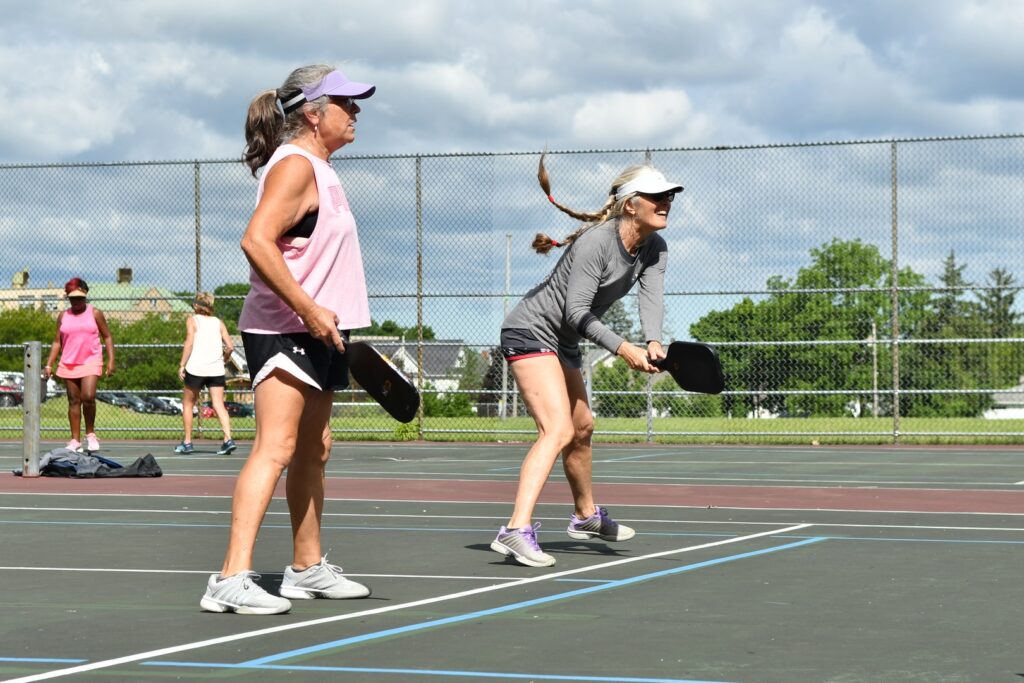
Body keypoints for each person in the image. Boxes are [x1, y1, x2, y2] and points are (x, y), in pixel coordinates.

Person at [199, 65, 375, 615]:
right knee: (275, 447)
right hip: (285, 327)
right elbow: (256, 240)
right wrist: (308, 309)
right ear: (313, 114)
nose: (356, 111)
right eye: (346, 102)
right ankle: (229, 578)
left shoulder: (321, 168)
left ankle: (306, 568)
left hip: (321, 328)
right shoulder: (295, 165)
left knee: (315, 449)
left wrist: (323, 317)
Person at [490, 154, 683, 567]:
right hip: (531, 330)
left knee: (582, 428)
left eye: (670, 195)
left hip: (563, 340)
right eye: (657, 196)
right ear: (631, 204)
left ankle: (585, 516)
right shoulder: (597, 242)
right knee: (557, 429)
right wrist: (623, 348)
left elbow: (652, 297)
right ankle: (515, 530)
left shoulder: (655, 247)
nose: (666, 202)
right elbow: (577, 312)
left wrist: (653, 342)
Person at [43, 278, 115, 453]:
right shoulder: (63, 316)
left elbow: (107, 336)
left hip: (91, 360)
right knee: (73, 400)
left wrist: (111, 360)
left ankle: (90, 434)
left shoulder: (95, 313)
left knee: (88, 396)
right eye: (72, 298)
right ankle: (75, 440)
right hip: (68, 363)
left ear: (85, 295)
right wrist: (49, 364)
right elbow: (57, 342)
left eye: (79, 298)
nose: (76, 302)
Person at [174, 292, 236, 455]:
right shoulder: (218, 322)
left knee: (188, 404)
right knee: (219, 404)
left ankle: (187, 442)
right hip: (216, 370)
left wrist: (182, 365)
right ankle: (228, 439)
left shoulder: (192, 320)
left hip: (196, 369)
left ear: (196, 305)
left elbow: (189, 342)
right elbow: (230, 347)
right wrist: (223, 360)